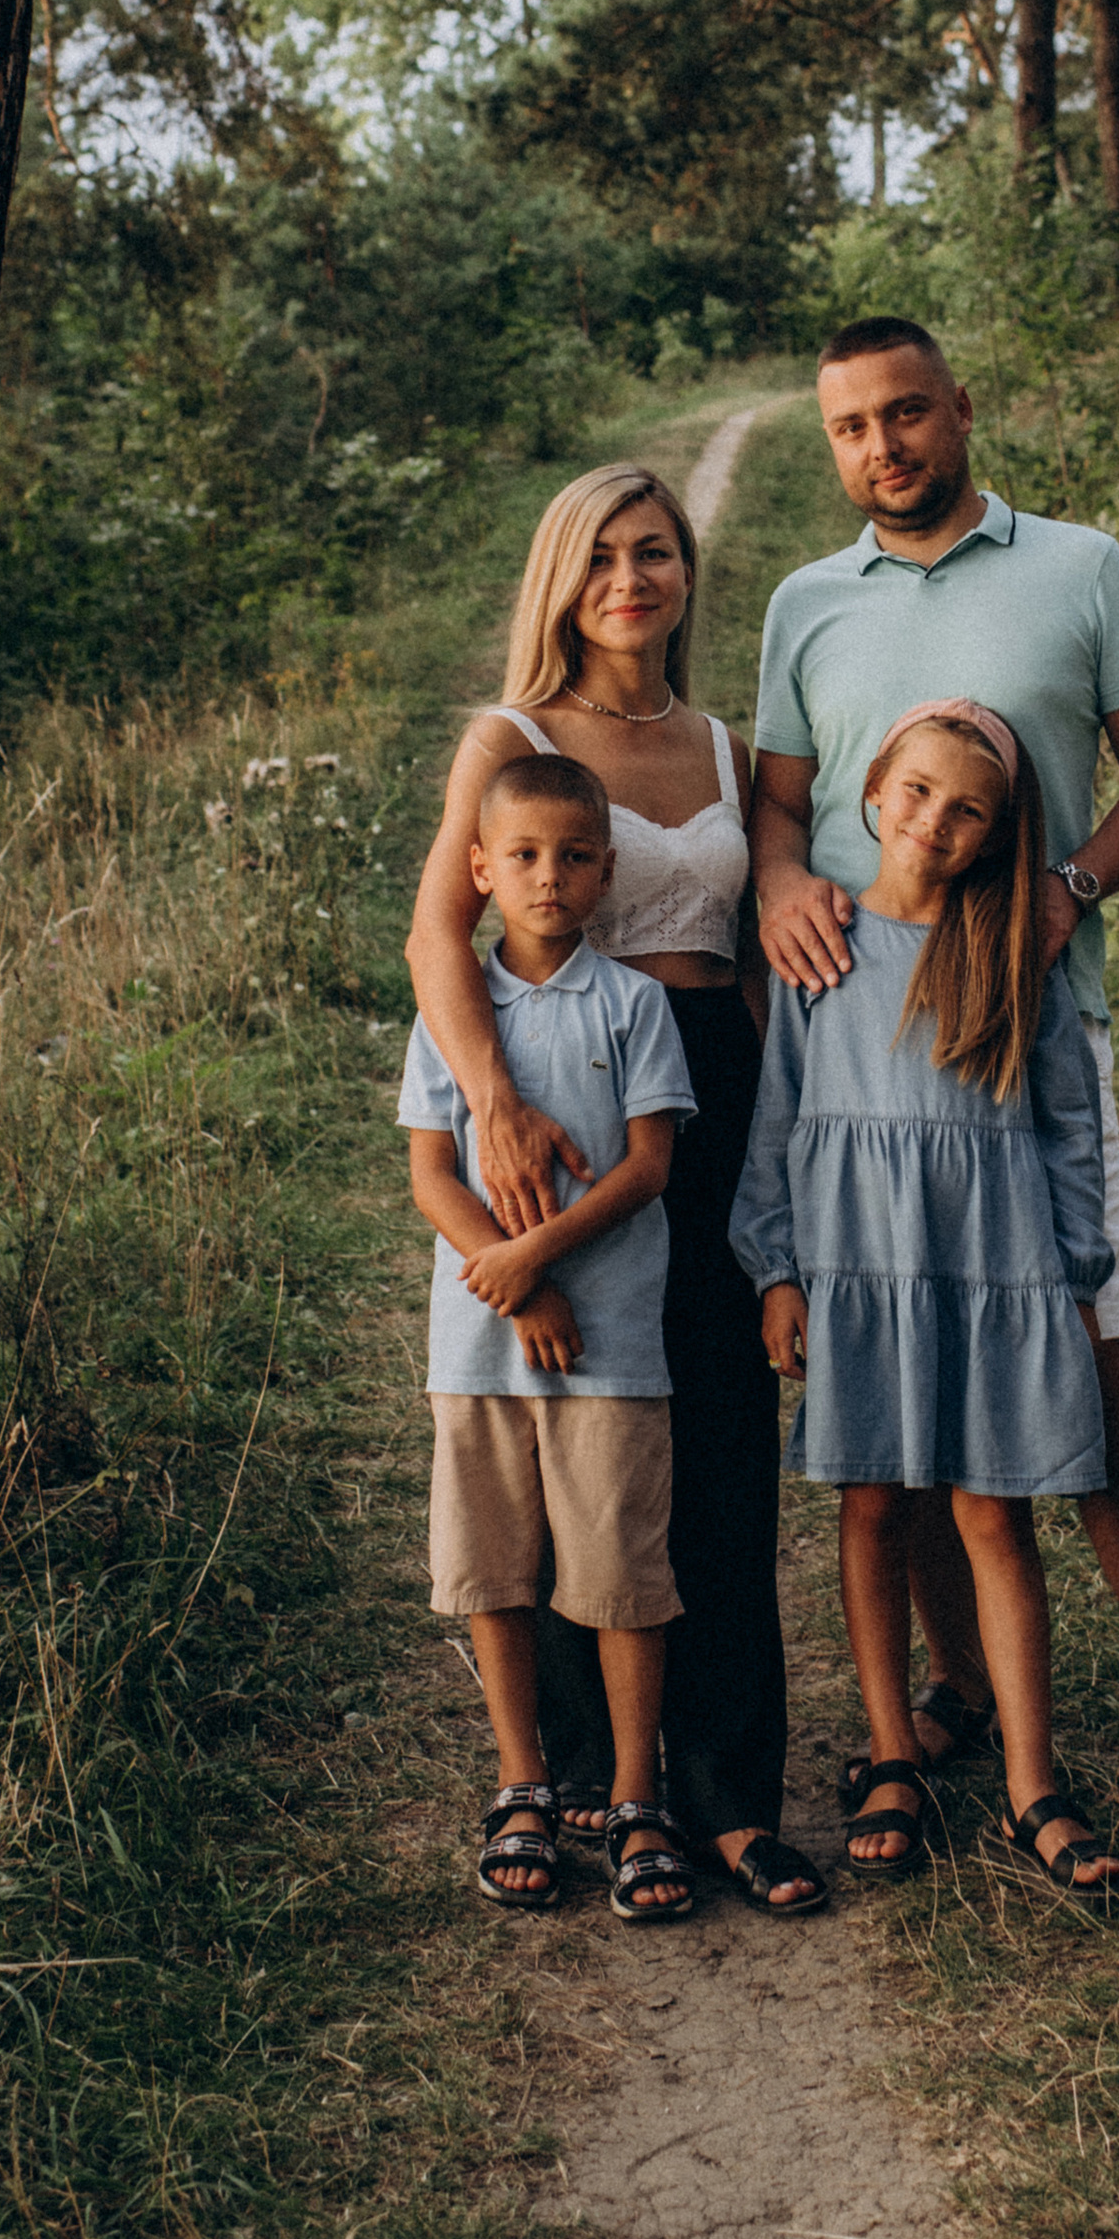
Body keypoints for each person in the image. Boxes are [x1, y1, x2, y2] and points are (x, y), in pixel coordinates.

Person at [751, 316, 1119, 1866]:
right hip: (851, 1049)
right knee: (893, 1374)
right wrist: (779, 881)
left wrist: (1074, 886)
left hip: (1027, 1038)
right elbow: (780, 802)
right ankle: (950, 1698)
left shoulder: (1081, 566)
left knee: (1094, 1358)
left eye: (906, 412)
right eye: (850, 427)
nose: (882, 444)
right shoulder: (805, 603)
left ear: (960, 410)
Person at [405, 463, 826, 1918]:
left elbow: (767, 938)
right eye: (600, 558)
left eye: (653, 552)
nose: (629, 580)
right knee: (566, 1425)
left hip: (702, 1089)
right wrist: (493, 1101)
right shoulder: (513, 736)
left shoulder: (723, 744)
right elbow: (437, 934)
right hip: (559, 1100)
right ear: (560, 581)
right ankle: (583, 1777)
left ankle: (723, 1795)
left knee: (712, 1439)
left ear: (686, 569)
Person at [733, 701, 1119, 1903]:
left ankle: (1029, 1783)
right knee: (872, 1510)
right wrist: (779, 1268)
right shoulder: (822, 944)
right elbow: (778, 1123)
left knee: (995, 1519)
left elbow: (1068, 1127)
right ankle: (893, 1755)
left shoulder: (1012, 952)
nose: (935, 823)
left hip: (991, 1265)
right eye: (916, 795)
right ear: (871, 795)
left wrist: (1072, 1274)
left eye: (968, 810)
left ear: (998, 831)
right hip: (861, 1263)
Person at [401, 745, 698, 1924]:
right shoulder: (450, 1010)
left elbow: (649, 1165)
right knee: (496, 1568)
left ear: (607, 870)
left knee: (621, 1571)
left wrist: (543, 1254)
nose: (548, 877)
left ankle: (635, 1792)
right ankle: (520, 1778)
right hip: (479, 1349)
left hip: (613, 1344)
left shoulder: (633, 1004)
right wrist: (516, 1285)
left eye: (575, 857)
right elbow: (432, 1175)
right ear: (479, 868)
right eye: (522, 856)